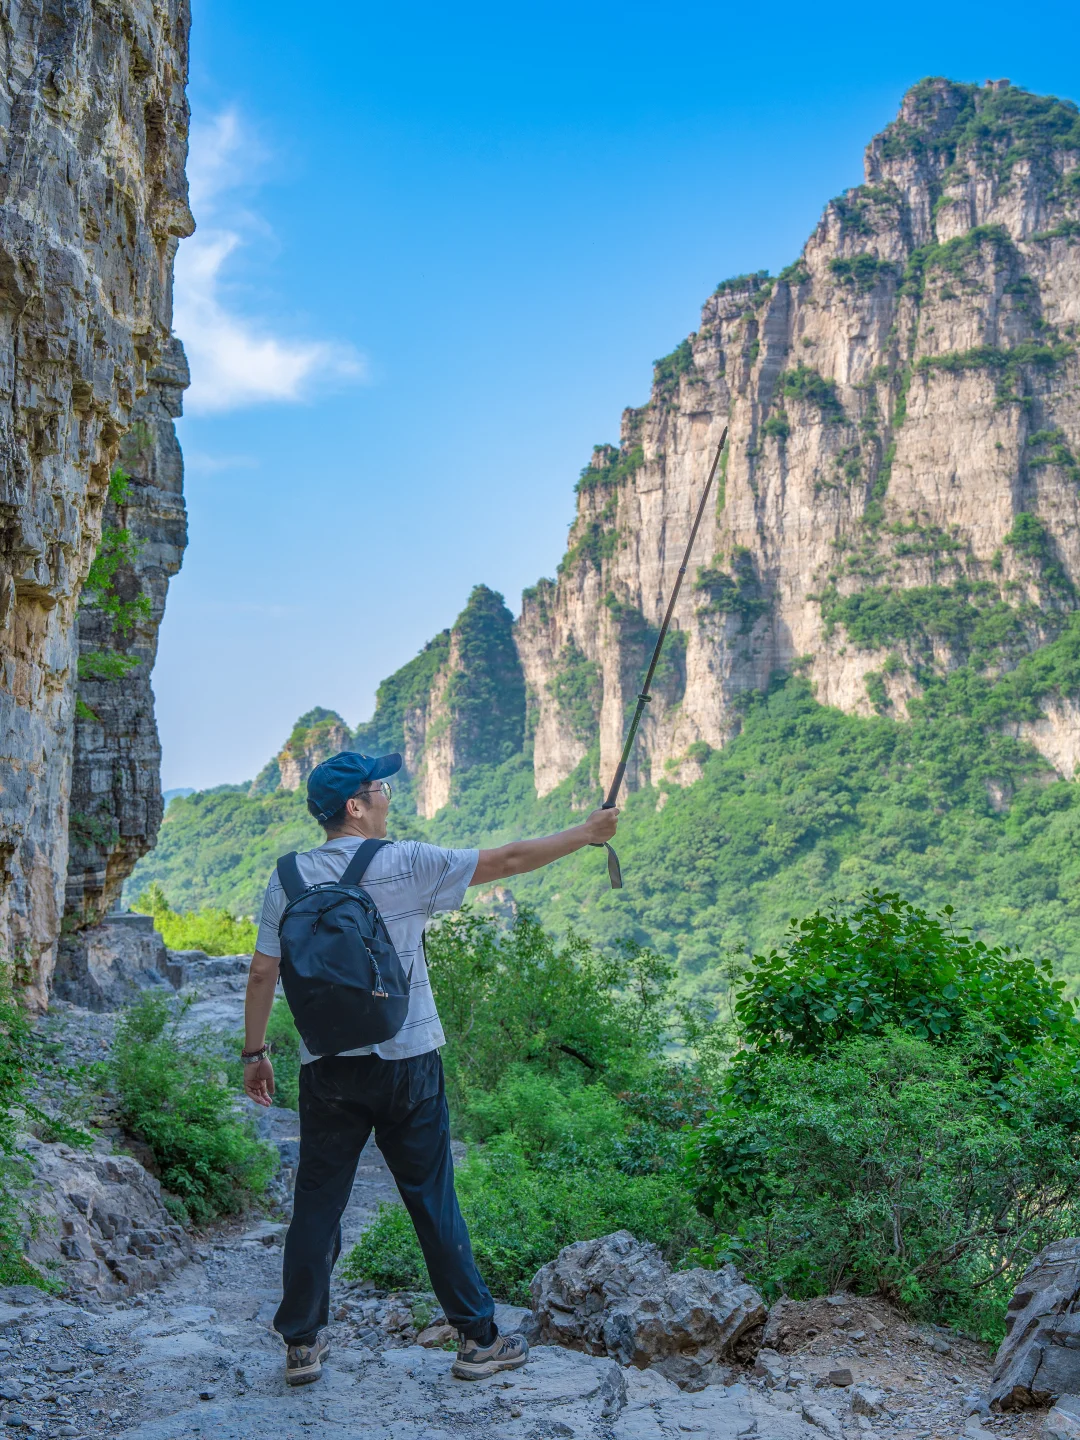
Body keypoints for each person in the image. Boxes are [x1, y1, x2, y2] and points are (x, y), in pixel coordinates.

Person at [241, 748, 619, 1387]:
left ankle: (301, 1345)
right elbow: (505, 860)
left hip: (327, 1068)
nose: (389, 793)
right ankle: (478, 1339)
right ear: (355, 806)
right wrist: (587, 834)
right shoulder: (405, 862)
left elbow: (261, 970)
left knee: (317, 1202)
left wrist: (255, 1053)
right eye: (379, 786)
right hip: (408, 1060)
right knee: (431, 1199)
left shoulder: (287, 878)